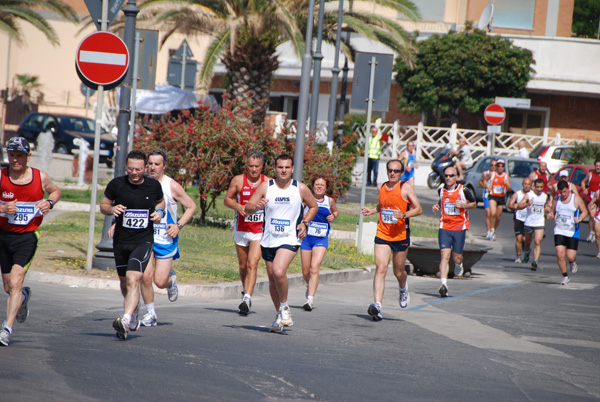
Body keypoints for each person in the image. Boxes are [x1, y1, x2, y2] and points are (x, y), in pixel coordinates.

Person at [244, 154, 318, 333]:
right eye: (280, 167)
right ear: (275, 169)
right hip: (269, 239)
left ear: (292, 169)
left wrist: (305, 222)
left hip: (290, 238)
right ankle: (279, 314)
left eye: (287, 167)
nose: (283, 170)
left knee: (279, 270)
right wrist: (256, 206)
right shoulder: (265, 187)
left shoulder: (299, 188)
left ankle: (285, 307)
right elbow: (247, 209)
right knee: (272, 278)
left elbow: (313, 206)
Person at [0, 137, 61, 346]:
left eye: (19, 155)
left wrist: (49, 203)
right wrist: (3, 209)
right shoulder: (1, 176)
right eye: (11, 155)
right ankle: (23, 297)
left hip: (28, 236)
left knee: (16, 281)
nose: (15, 159)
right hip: (3, 235)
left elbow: (56, 191)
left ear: (28, 156)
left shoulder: (39, 177)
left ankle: (6, 329)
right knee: (9, 288)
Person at [100, 150, 165, 339]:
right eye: (130, 169)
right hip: (121, 241)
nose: (134, 173)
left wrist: (159, 213)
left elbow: (160, 203)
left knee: (133, 278)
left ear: (145, 168)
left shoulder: (153, 186)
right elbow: (103, 205)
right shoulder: (117, 184)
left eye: (138, 169)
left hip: (143, 240)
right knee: (124, 282)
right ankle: (134, 312)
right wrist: (112, 209)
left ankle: (126, 319)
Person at [139, 149, 197, 326]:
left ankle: (171, 281)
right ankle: (151, 313)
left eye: (157, 164)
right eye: (150, 164)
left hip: (165, 238)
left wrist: (178, 226)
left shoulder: (171, 185)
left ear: (164, 166)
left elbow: (191, 206)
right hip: (146, 237)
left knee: (159, 280)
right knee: (146, 276)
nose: (152, 168)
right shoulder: (141, 183)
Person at [361, 159, 422, 320]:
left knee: (398, 271)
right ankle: (377, 306)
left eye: (396, 171)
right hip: (383, 233)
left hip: (400, 235)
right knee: (381, 268)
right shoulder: (382, 187)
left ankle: (403, 288)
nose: (392, 173)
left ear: (401, 173)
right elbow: (383, 204)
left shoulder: (405, 187)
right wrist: (372, 210)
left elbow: (418, 209)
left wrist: (403, 215)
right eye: (390, 170)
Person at [224, 151, 270, 315]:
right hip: (241, 229)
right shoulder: (238, 180)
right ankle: (246, 290)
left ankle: (247, 298)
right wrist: (239, 207)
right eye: (251, 166)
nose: (254, 169)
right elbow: (227, 199)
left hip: (259, 230)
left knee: (253, 263)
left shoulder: (268, 182)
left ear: (262, 166)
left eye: (257, 166)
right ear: (246, 165)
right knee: (243, 266)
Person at [432, 166, 477, 296]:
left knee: (456, 257)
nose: (448, 178)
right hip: (444, 226)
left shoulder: (464, 190)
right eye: (446, 175)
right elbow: (440, 203)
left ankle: (459, 265)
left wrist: (463, 205)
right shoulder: (441, 190)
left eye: (451, 175)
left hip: (459, 227)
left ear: (456, 177)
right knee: (444, 255)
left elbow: (474, 204)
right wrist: (436, 207)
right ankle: (443, 285)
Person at [300, 175, 338, 311]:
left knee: (314, 267)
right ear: (313, 186)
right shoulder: (306, 199)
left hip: (321, 238)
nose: (319, 187)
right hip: (306, 238)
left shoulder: (329, 200)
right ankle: (309, 285)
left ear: (326, 187)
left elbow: (336, 211)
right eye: (317, 184)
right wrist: (302, 217)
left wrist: (333, 216)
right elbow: (297, 212)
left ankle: (309, 299)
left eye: (322, 185)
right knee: (305, 271)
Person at [547, 181, 588, 285]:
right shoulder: (557, 200)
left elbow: (584, 211)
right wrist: (551, 215)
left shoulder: (576, 199)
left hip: (572, 231)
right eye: (561, 192)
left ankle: (572, 262)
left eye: (564, 192)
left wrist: (580, 219)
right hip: (559, 230)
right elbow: (553, 211)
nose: (563, 194)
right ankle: (565, 276)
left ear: (568, 189)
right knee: (559, 254)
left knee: (570, 256)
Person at [517, 178, 550, 271]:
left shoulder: (545, 196)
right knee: (527, 242)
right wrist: (527, 204)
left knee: (537, 242)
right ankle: (527, 251)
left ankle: (535, 261)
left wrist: (549, 210)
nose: (539, 189)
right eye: (537, 187)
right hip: (529, 222)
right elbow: (519, 206)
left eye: (541, 187)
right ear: (534, 187)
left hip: (539, 222)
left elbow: (547, 206)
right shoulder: (529, 195)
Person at [483, 158, 512, 241]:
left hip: (501, 197)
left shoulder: (506, 176)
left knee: (498, 216)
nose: (500, 167)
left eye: (502, 166)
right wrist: (487, 186)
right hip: (492, 196)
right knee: (492, 212)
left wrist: (506, 184)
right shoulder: (492, 174)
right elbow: (485, 180)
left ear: (504, 167)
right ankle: (490, 230)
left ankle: (493, 230)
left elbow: (510, 188)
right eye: (498, 165)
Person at [508, 177, 532, 263]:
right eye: (525, 184)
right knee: (518, 238)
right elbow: (510, 205)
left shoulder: (532, 195)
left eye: (528, 184)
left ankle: (527, 250)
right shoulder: (517, 194)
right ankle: (518, 256)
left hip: (528, 220)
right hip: (518, 218)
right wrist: (515, 206)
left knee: (525, 240)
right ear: (522, 184)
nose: (527, 186)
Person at [581, 159, 600, 243]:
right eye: (597, 166)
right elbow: (582, 182)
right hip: (590, 198)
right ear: (594, 166)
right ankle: (591, 232)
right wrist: (584, 189)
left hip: (598, 198)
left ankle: (596, 232)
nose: (598, 167)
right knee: (592, 215)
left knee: (596, 216)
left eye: (599, 166)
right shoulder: (590, 174)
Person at [479, 159, 497, 240]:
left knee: (493, 214)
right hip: (486, 194)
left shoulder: (498, 174)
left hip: (495, 195)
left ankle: (492, 229)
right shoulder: (485, 173)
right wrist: (485, 186)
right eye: (492, 165)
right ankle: (488, 230)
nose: (493, 166)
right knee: (488, 212)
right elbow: (481, 181)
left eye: (495, 165)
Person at [588, 189, 600, 259]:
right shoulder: (598, 192)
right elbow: (591, 203)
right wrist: (592, 211)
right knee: (597, 233)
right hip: (599, 214)